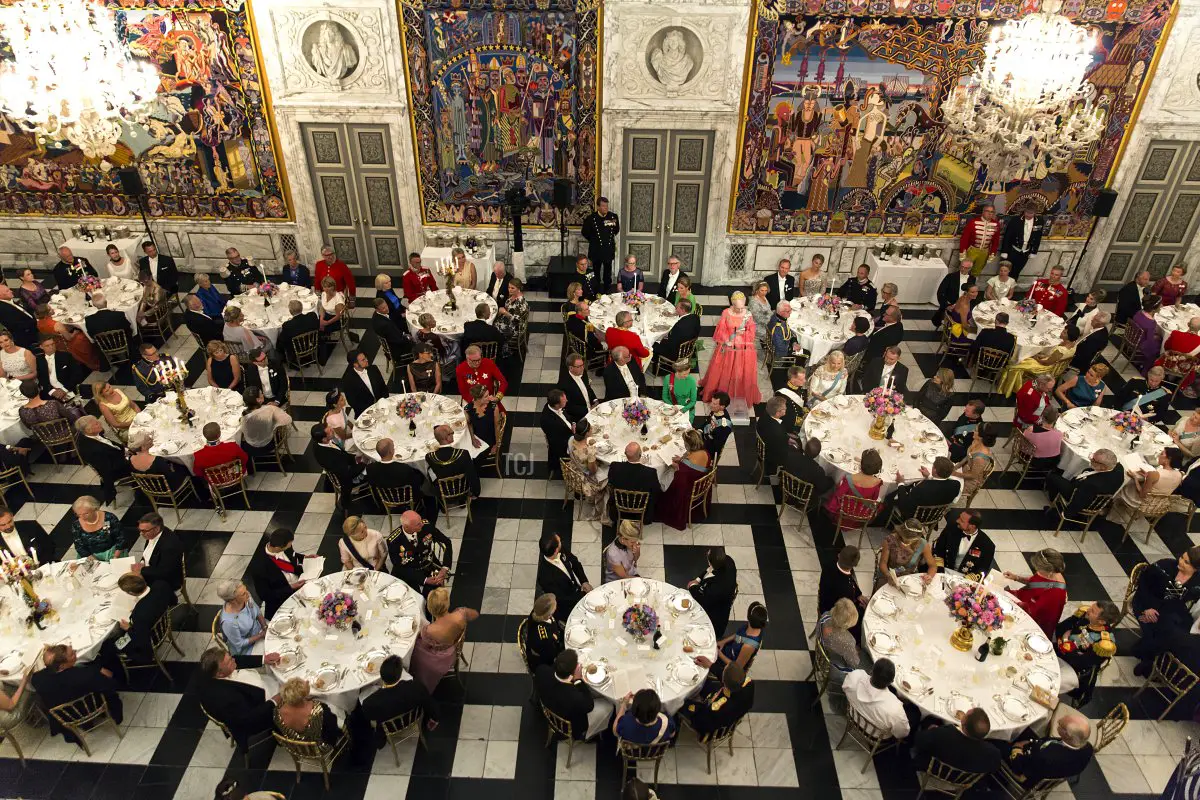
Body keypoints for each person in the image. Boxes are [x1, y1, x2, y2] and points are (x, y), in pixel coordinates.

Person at [33, 644, 122, 741]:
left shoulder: (37, 679)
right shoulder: (85, 674)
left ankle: (86, 725)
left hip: (66, 715)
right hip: (88, 707)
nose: (75, 652)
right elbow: (111, 683)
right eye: (72, 654)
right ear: (62, 665)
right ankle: (114, 716)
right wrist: (98, 669)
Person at [197, 648, 281, 751]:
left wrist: (264, 659)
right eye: (229, 662)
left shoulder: (215, 670)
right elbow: (250, 719)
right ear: (219, 674)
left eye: (230, 657)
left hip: (258, 688)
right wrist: (274, 701)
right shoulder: (227, 699)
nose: (233, 660)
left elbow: (236, 659)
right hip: (258, 709)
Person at [96, 573, 174, 674]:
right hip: (163, 622)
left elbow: (139, 638)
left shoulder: (139, 613)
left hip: (149, 638)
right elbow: (173, 600)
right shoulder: (161, 584)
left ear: (131, 593)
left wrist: (128, 628)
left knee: (107, 645)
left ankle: (113, 670)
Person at [410, 587, 478, 691]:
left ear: (430, 608)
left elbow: (425, 645)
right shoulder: (460, 614)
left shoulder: (428, 630)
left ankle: (419, 683)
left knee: (412, 651)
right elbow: (474, 614)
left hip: (441, 658)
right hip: (453, 647)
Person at [536, 650, 611, 740]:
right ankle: (587, 735)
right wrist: (578, 680)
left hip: (548, 704)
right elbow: (589, 705)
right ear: (572, 673)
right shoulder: (574, 697)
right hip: (570, 724)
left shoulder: (541, 670)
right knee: (608, 706)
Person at [1002, 714, 1094, 787]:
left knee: (996, 742)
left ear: (1067, 735)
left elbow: (1018, 767)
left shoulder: (1045, 756)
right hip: (1040, 758)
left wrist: (1017, 747)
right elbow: (1048, 743)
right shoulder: (1087, 748)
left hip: (1027, 774)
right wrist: (1030, 742)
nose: (1057, 721)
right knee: (1022, 726)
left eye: (1060, 725)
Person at [1131, 546, 1200, 643]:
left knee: (1185, 633)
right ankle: (1145, 653)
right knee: (1157, 631)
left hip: (1172, 609)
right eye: (1182, 557)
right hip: (1146, 602)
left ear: (1196, 569)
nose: (1180, 562)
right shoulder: (1164, 566)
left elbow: (1191, 598)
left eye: (1186, 562)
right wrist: (1148, 608)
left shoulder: (1197, 580)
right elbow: (1143, 586)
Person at [701, 292, 760, 405]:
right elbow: (721, 330)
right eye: (737, 308)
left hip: (742, 348)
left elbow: (751, 332)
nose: (739, 310)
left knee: (739, 373)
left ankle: (737, 394)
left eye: (741, 307)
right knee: (723, 371)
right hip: (728, 346)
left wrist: (743, 334)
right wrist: (732, 335)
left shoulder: (748, 314)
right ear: (732, 304)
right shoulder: (726, 313)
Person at [362, 655, 440, 737]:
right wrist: (435, 718)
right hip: (413, 718)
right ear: (399, 675)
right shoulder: (416, 687)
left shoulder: (370, 702)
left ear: (381, 675)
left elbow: (369, 716)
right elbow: (429, 702)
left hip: (390, 727)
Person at [913, 708, 1002, 777]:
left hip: (933, 771)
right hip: (963, 781)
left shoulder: (943, 734)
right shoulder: (993, 754)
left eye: (965, 715)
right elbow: (993, 769)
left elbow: (918, 740)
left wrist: (931, 730)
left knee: (930, 720)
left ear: (962, 721)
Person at [1055, 602, 1120, 694]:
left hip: (1075, 669)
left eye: (1092, 611)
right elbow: (1060, 628)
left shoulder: (1104, 643)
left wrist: (1065, 640)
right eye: (1091, 607)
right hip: (1064, 652)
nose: (1088, 610)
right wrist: (1065, 643)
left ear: (1101, 621)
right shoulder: (1085, 615)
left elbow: (1080, 663)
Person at [997, 325, 1079, 397]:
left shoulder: (1061, 350)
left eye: (1064, 333)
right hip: (1052, 363)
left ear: (1069, 338)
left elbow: (1046, 363)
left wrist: (1036, 358)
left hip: (1046, 368)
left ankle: (1012, 389)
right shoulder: (1073, 345)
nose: (1061, 333)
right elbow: (1052, 358)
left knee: (1016, 364)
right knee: (1025, 358)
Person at [1003, 548, 1068, 638]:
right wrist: (1016, 577)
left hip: (1033, 615)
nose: (1037, 570)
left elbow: (1034, 611)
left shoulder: (1055, 594)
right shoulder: (1049, 572)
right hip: (1025, 598)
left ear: (1049, 571)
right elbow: (1035, 581)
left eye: (1039, 568)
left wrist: (1013, 603)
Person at [1044, 448, 1125, 520]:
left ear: (1103, 467)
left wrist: (1065, 514)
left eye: (1093, 460)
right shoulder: (1119, 468)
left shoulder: (1091, 484)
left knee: (1052, 477)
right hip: (1099, 498)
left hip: (1080, 497)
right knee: (1086, 469)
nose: (1091, 460)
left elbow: (1078, 503)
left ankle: (1055, 501)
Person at [680, 662, 754, 740]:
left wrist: (687, 704)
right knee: (706, 684)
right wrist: (710, 665)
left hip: (712, 727)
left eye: (724, 670)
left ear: (724, 682)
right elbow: (728, 677)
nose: (722, 670)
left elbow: (701, 723)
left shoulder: (717, 707)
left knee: (681, 704)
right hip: (735, 709)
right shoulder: (749, 683)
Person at [696, 601, 767, 678]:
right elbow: (738, 635)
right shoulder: (752, 625)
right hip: (728, 649)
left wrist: (719, 653)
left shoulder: (749, 646)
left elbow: (736, 667)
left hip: (728, 665)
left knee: (700, 660)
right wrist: (723, 642)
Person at [842, 658, 910, 739]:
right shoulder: (895, 709)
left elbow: (844, 689)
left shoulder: (855, 676)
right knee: (914, 713)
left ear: (871, 670)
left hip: (853, 716)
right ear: (891, 682)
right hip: (874, 736)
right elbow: (902, 734)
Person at [248, 528, 307, 618]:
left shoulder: (284, 544)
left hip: (301, 583)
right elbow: (265, 595)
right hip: (283, 598)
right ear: (277, 548)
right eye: (288, 546)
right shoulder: (259, 567)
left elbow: (293, 555)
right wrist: (291, 587)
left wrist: (305, 557)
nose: (290, 546)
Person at [388, 510, 452, 593]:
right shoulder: (394, 541)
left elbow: (447, 542)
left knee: (436, 595)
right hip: (409, 571)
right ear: (407, 527)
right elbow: (398, 566)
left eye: (421, 521)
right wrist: (424, 580)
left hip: (428, 564)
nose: (422, 524)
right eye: (418, 524)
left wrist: (445, 567)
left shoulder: (427, 526)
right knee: (409, 597)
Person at [659, 430, 712, 530]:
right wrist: (681, 461)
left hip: (690, 488)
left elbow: (678, 484)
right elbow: (692, 464)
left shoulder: (685, 468)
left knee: (663, 482)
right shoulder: (704, 452)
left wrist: (675, 466)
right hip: (701, 481)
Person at [882, 456, 960, 522]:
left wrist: (900, 483)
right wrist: (929, 477)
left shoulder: (922, 488)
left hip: (916, 517)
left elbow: (904, 505)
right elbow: (939, 488)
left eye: (933, 466)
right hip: (934, 515)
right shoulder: (956, 484)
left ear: (935, 470)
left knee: (889, 497)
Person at [74, 416, 132, 504]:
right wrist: (130, 458)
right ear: (89, 430)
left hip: (119, 455)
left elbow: (110, 445)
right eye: (96, 424)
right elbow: (109, 468)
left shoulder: (92, 435)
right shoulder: (93, 450)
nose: (100, 423)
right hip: (117, 469)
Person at [537, 533, 591, 623]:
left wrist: (584, 581)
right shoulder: (545, 577)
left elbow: (574, 562)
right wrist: (583, 595)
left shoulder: (560, 550)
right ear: (555, 550)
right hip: (567, 607)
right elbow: (561, 599)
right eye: (559, 542)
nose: (561, 541)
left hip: (576, 591)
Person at [274, 678, 343, 747]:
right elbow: (332, 732)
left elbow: (280, 736)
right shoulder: (319, 710)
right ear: (305, 694)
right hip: (320, 747)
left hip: (297, 746)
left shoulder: (277, 713)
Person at [818, 546, 868, 642]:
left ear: (839, 555)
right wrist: (861, 608)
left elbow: (850, 579)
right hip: (835, 615)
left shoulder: (830, 564)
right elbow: (847, 610)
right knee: (864, 621)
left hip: (826, 602)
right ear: (854, 565)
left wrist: (858, 594)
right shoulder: (846, 589)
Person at [823, 448, 884, 525]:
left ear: (861, 464)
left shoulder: (849, 479)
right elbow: (873, 499)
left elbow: (838, 495)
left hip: (844, 512)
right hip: (861, 515)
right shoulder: (877, 482)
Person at [687, 547, 737, 636]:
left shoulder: (717, 589)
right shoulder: (727, 560)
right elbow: (709, 569)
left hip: (714, 615)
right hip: (715, 597)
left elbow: (701, 598)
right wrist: (698, 580)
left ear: (710, 562)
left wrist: (692, 586)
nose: (707, 553)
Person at [568, 421, 611, 523]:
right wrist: (592, 451)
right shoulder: (589, 451)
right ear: (587, 433)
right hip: (587, 478)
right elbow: (593, 470)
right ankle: (603, 505)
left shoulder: (571, 439)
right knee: (611, 469)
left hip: (574, 467)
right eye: (590, 429)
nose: (592, 430)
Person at [876, 518, 937, 590]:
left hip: (910, 578)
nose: (908, 543)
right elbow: (883, 563)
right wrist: (888, 575)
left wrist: (929, 576)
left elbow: (933, 566)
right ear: (901, 532)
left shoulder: (923, 544)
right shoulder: (890, 540)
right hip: (888, 576)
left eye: (913, 540)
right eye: (906, 539)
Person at [608, 443, 661, 523]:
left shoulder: (614, 466)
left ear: (625, 454)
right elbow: (656, 491)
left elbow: (611, 482)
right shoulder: (650, 472)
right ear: (640, 454)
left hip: (618, 510)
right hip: (640, 512)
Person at [215, 580, 268, 656]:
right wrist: (261, 635)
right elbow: (239, 643)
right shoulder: (228, 623)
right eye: (243, 594)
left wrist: (265, 627)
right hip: (247, 648)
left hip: (259, 629)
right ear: (233, 601)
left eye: (246, 590)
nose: (248, 594)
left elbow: (257, 611)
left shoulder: (246, 597)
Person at [933, 511, 994, 576]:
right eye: (959, 517)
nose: (957, 521)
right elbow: (938, 550)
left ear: (972, 526)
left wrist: (965, 582)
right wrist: (940, 572)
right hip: (945, 569)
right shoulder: (950, 529)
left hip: (966, 577)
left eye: (962, 521)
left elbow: (983, 568)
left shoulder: (988, 545)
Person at [427, 424, 481, 499]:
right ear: (446, 438)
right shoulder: (463, 454)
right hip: (462, 488)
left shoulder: (430, 457)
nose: (453, 434)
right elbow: (472, 475)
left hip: (443, 491)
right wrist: (476, 492)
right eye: (451, 433)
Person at [69, 494, 127, 560]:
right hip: (90, 556)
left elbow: (121, 538)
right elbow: (79, 545)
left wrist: (115, 556)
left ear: (95, 509)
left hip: (113, 553)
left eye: (86, 513)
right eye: (79, 514)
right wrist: (93, 560)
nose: (82, 517)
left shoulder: (107, 519)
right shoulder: (77, 525)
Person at [819, 598, 862, 682]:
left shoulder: (826, 616)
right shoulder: (847, 641)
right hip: (835, 665)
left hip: (823, 645)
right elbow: (854, 663)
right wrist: (855, 651)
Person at [240, 387, 292, 455]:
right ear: (258, 400)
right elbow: (288, 420)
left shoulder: (245, 416)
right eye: (261, 393)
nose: (263, 394)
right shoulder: (270, 409)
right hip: (269, 443)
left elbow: (244, 432)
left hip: (251, 447)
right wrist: (274, 422)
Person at [581, 196, 620, 287]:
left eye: (606, 206)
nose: (605, 208)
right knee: (596, 272)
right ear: (598, 207)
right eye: (603, 206)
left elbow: (616, 230)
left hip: (608, 249)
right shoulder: (591, 218)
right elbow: (584, 232)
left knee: (607, 272)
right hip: (596, 250)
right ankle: (596, 289)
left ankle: (607, 289)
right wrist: (594, 240)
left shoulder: (613, 217)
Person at [522, 593, 565, 672]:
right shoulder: (544, 636)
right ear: (549, 614)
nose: (556, 603)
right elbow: (551, 655)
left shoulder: (538, 611)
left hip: (550, 647)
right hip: (544, 663)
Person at [765, 301, 801, 390]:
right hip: (780, 354)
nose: (791, 312)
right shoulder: (778, 326)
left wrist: (794, 342)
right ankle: (795, 377)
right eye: (788, 311)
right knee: (805, 354)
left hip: (782, 346)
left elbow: (788, 331)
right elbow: (780, 347)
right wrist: (791, 347)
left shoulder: (778, 317)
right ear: (781, 312)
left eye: (790, 310)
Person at [953, 425, 996, 500]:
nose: (973, 431)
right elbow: (968, 456)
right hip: (964, 469)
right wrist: (957, 466)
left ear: (981, 436)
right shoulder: (976, 441)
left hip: (968, 481)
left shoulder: (980, 458)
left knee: (943, 482)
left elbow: (972, 476)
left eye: (976, 430)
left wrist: (954, 474)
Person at [342, 349, 390, 415]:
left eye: (365, 358)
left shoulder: (374, 369)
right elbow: (353, 402)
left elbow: (383, 387)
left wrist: (384, 401)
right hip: (365, 412)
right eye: (363, 360)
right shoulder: (348, 380)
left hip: (382, 406)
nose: (367, 360)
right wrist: (371, 410)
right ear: (356, 364)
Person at [465, 384, 502, 467]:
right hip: (476, 437)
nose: (489, 397)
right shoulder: (468, 409)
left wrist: (496, 444)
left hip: (489, 439)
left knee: (473, 460)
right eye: (486, 396)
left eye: (488, 395)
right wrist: (473, 438)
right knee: (464, 455)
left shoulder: (493, 407)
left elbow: (497, 427)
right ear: (478, 399)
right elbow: (469, 425)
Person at [960, 204, 1000, 277]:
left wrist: (992, 253)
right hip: (972, 250)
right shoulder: (973, 222)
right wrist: (962, 252)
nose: (990, 213)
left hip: (984, 252)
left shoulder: (996, 224)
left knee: (977, 272)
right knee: (964, 270)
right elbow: (964, 238)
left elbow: (995, 241)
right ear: (983, 212)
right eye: (987, 211)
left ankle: (971, 286)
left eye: (992, 212)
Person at [933, 260, 975, 328]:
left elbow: (971, 294)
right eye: (962, 267)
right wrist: (947, 305)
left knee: (971, 320)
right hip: (951, 305)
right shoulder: (950, 276)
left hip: (964, 306)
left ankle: (960, 330)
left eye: (966, 268)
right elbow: (940, 292)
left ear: (970, 268)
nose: (963, 269)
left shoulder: (972, 279)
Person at [540, 389, 574, 473]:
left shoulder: (551, 405)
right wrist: (575, 436)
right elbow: (558, 444)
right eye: (564, 401)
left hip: (569, 433)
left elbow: (566, 418)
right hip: (563, 447)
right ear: (556, 405)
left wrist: (572, 425)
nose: (567, 400)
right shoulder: (550, 422)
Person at [278, 300, 321, 366]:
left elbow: (285, 341)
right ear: (302, 308)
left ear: (290, 312)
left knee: (279, 340)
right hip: (312, 343)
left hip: (297, 348)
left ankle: (285, 359)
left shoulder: (287, 325)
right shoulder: (312, 315)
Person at [1022, 407, 1064, 472]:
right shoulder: (1059, 434)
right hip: (1049, 463)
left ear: (1042, 416)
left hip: (1029, 458)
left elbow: (1023, 442)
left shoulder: (1031, 429)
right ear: (1056, 419)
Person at [774, 366, 807, 433]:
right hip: (789, 426)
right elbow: (785, 417)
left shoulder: (799, 387)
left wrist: (806, 412)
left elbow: (803, 403)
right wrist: (803, 421)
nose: (805, 381)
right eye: (801, 379)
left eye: (804, 378)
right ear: (792, 379)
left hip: (800, 417)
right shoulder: (782, 394)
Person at [702, 391, 733, 459]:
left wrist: (699, 444)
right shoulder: (715, 411)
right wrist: (698, 430)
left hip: (708, 451)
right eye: (711, 402)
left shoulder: (724, 427)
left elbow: (716, 447)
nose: (711, 405)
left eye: (714, 404)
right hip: (705, 438)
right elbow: (707, 423)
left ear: (722, 407)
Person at [317, 276, 347, 342]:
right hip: (326, 315)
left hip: (335, 320)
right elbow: (322, 307)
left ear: (333, 286)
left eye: (328, 287)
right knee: (313, 323)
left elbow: (338, 316)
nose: (326, 289)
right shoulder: (324, 294)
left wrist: (326, 323)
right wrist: (321, 319)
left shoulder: (338, 300)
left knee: (317, 330)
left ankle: (322, 345)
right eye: (324, 287)